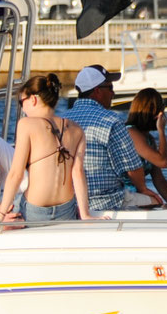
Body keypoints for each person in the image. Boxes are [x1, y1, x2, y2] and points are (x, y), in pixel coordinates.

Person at [0, 74, 91, 223]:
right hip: (66, 209)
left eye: (21, 102)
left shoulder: (26, 124)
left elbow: (16, 174)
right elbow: (78, 174)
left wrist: (0, 215)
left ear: (33, 99)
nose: (22, 108)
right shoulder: (77, 129)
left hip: (35, 210)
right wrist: (85, 214)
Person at [68, 65, 160, 211]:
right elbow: (132, 167)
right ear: (97, 91)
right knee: (154, 201)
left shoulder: (62, 120)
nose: (113, 93)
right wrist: (142, 188)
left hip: (69, 203)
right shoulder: (111, 120)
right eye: (110, 88)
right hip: (106, 201)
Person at [126, 88, 167, 206]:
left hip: (137, 194)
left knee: (160, 204)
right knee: (156, 203)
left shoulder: (148, 138)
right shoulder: (131, 132)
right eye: (162, 109)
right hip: (123, 193)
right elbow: (163, 162)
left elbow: (158, 178)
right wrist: (161, 131)